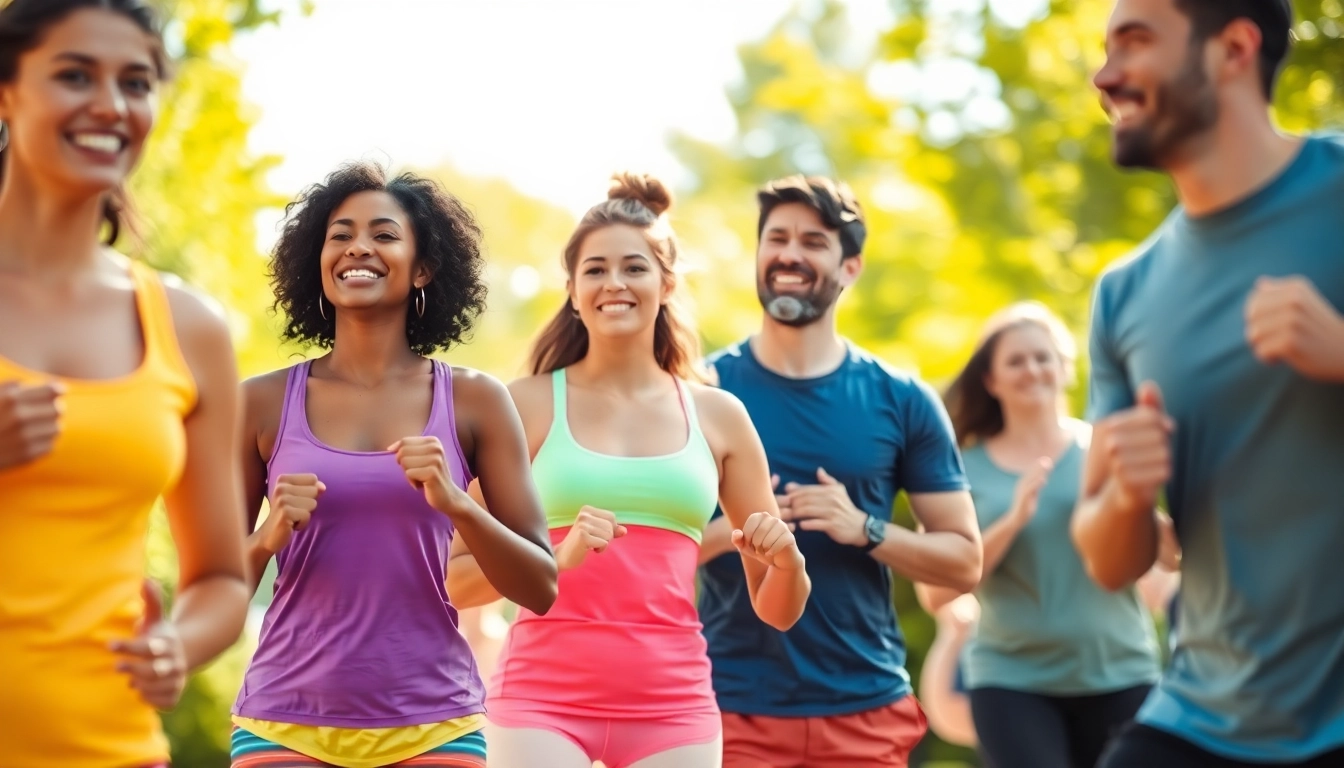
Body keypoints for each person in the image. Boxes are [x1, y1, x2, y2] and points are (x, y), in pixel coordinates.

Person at [447, 173, 810, 768]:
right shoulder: (526, 404)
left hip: (675, 710)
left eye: (634, 268)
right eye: (595, 269)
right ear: (571, 289)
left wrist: (790, 562)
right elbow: (455, 578)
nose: (614, 283)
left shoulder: (719, 416)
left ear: (666, 283)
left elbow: (777, 608)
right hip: (540, 704)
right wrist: (552, 561)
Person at [1078, 1, 1344, 765]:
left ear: (1233, 48)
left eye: (1134, 43)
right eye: (1105, 48)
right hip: (1201, 717)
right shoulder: (1124, 292)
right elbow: (1107, 558)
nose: (1105, 75)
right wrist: (1127, 493)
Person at [229, 163, 558, 768]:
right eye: (340, 234)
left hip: (434, 725)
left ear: (423, 266)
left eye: (383, 234)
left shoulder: (477, 399)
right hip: (283, 721)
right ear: (317, 259)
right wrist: (269, 533)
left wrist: (458, 504)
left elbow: (540, 586)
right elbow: (216, 595)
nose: (359, 246)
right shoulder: (260, 401)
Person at [0, 1, 250, 765]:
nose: (111, 105)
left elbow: (221, 578)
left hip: (111, 748)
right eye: (75, 75)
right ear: (7, 92)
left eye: (136, 83)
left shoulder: (189, 326)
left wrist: (177, 642)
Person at [697, 175, 983, 768]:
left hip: (866, 706)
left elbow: (964, 560)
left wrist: (865, 529)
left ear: (850, 266)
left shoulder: (902, 398)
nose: (789, 254)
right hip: (729, 707)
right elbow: (648, 548)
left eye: (813, 241)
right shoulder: (699, 392)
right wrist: (751, 530)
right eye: (776, 238)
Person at [927, 302, 1172, 768]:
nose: (1032, 370)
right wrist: (1012, 521)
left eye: (1043, 357)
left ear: (1066, 369)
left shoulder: (1104, 450)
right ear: (991, 381)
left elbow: (1166, 555)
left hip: (1121, 672)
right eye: (1015, 361)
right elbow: (935, 592)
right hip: (1012, 682)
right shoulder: (961, 470)